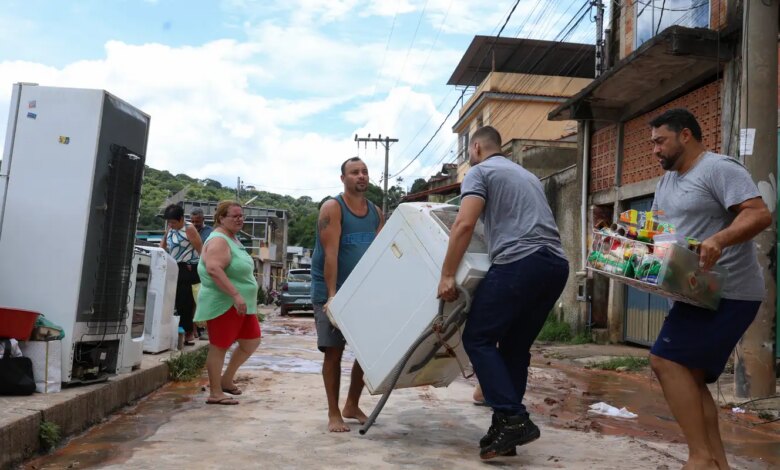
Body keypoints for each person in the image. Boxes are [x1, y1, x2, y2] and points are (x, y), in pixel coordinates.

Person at [647, 108, 771, 470]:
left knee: (664, 361)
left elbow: (758, 213)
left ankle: (699, 458)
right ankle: (716, 462)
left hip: (727, 291)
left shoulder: (718, 168)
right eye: (652, 143)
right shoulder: (667, 181)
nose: (654, 150)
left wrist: (719, 239)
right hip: (693, 293)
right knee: (690, 375)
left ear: (686, 135)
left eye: (660, 141)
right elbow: (657, 230)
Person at [437, 126, 569, 460]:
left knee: (478, 339)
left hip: (519, 263)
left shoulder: (480, 172)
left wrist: (447, 274)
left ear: (477, 147)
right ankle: (506, 432)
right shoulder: (524, 175)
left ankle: (512, 416)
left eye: (469, 150)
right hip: (554, 266)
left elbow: (464, 224)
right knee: (514, 348)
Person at [310, 157, 385, 432]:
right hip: (330, 289)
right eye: (354, 172)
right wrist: (332, 297)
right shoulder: (333, 208)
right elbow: (330, 255)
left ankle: (351, 404)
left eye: (365, 171)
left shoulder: (376, 212)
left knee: (366, 352)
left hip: (361, 291)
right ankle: (333, 413)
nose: (361, 176)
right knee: (334, 351)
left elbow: (377, 257)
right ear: (343, 179)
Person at [195, 201, 261, 405]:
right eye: (234, 216)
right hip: (225, 302)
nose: (240, 219)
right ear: (221, 218)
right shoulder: (219, 240)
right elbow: (214, 269)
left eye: (241, 216)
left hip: (242, 304)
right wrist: (235, 294)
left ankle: (226, 380)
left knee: (252, 341)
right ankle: (215, 393)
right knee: (219, 346)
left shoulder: (233, 238)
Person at [160, 204, 203, 344]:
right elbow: (163, 245)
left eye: (173, 222)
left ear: (181, 219)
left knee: (185, 302)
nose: (171, 225)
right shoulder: (170, 229)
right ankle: (172, 331)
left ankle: (188, 332)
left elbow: (200, 250)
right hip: (173, 266)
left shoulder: (189, 229)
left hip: (188, 268)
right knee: (171, 300)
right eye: (169, 222)